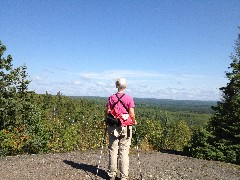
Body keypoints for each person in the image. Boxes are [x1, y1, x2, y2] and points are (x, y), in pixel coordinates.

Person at [105, 78, 136, 180]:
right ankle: (124, 177)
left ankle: (111, 175)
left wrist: (106, 121)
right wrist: (134, 121)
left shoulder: (111, 98)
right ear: (125, 86)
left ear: (116, 85)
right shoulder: (129, 98)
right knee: (124, 152)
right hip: (126, 126)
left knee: (113, 150)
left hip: (113, 126)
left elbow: (108, 111)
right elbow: (131, 113)